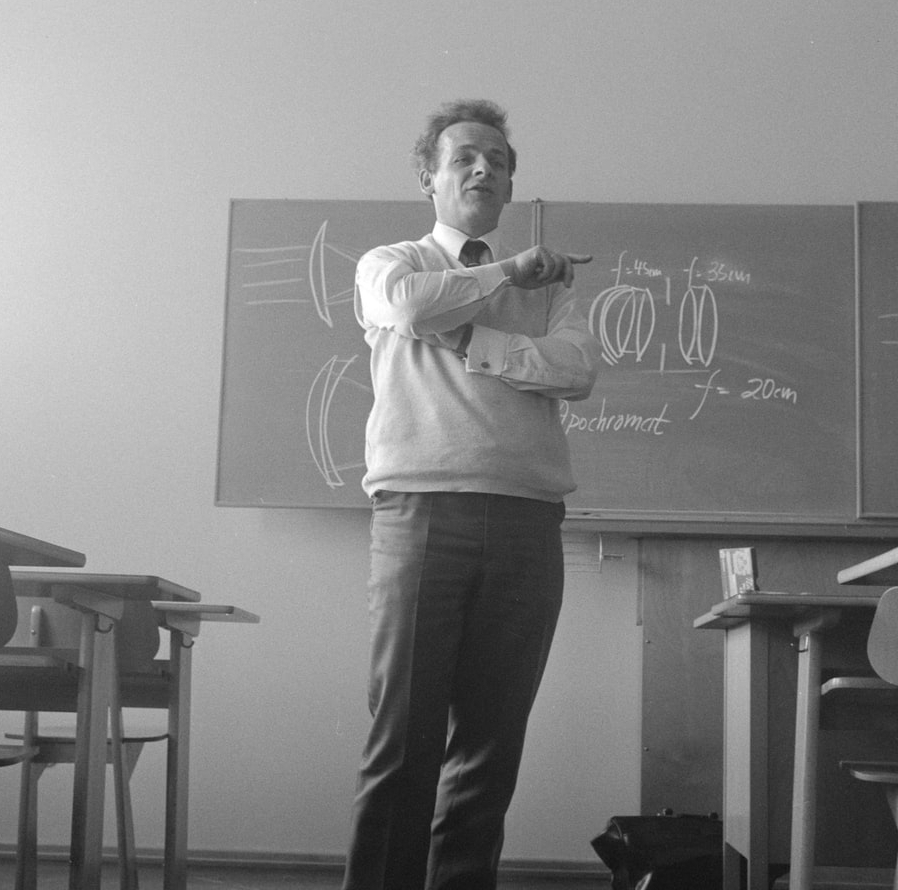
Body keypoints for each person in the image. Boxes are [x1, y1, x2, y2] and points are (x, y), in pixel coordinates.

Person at [342, 99, 600, 890]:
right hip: (421, 515)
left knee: (490, 747)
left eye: (497, 159)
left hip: (527, 522)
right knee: (403, 743)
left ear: (512, 183)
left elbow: (574, 371)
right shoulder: (391, 260)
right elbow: (415, 306)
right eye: (464, 158)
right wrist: (505, 274)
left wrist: (472, 339)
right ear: (430, 177)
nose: (483, 168)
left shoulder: (553, 290)